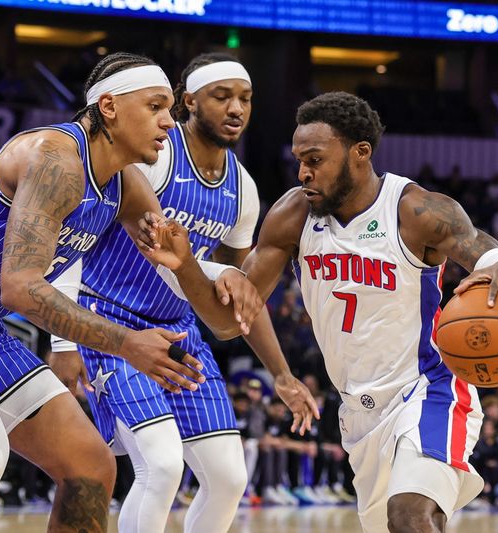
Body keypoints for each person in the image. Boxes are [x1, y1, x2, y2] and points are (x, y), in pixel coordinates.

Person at [0, 52, 258, 533]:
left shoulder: (126, 185)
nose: (169, 121)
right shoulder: (55, 157)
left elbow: (189, 280)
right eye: (155, 106)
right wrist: (126, 342)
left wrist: (213, 272)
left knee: (89, 467)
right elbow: (21, 289)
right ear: (108, 107)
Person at [144, 91, 498, 532]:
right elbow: (226, 321)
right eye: (298, 160)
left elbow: (477, 245)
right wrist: (185, 266)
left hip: (429, 390)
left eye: (315, 159)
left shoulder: (412, 210)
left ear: (360, 153)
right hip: (358, 413)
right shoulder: (294, 215)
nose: (303, 173)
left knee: (409, 516)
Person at [50, 53, 318, 533]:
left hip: (180, 331)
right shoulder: (154, 156)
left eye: (246, 99)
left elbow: (238, 296)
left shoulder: (244, 189)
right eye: (222, 97)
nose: (236, 108)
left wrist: (282, 374)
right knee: (163, 466)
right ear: (188, 101)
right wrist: (64, 342)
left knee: (229, 476)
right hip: (112, 321)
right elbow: (76, 237)